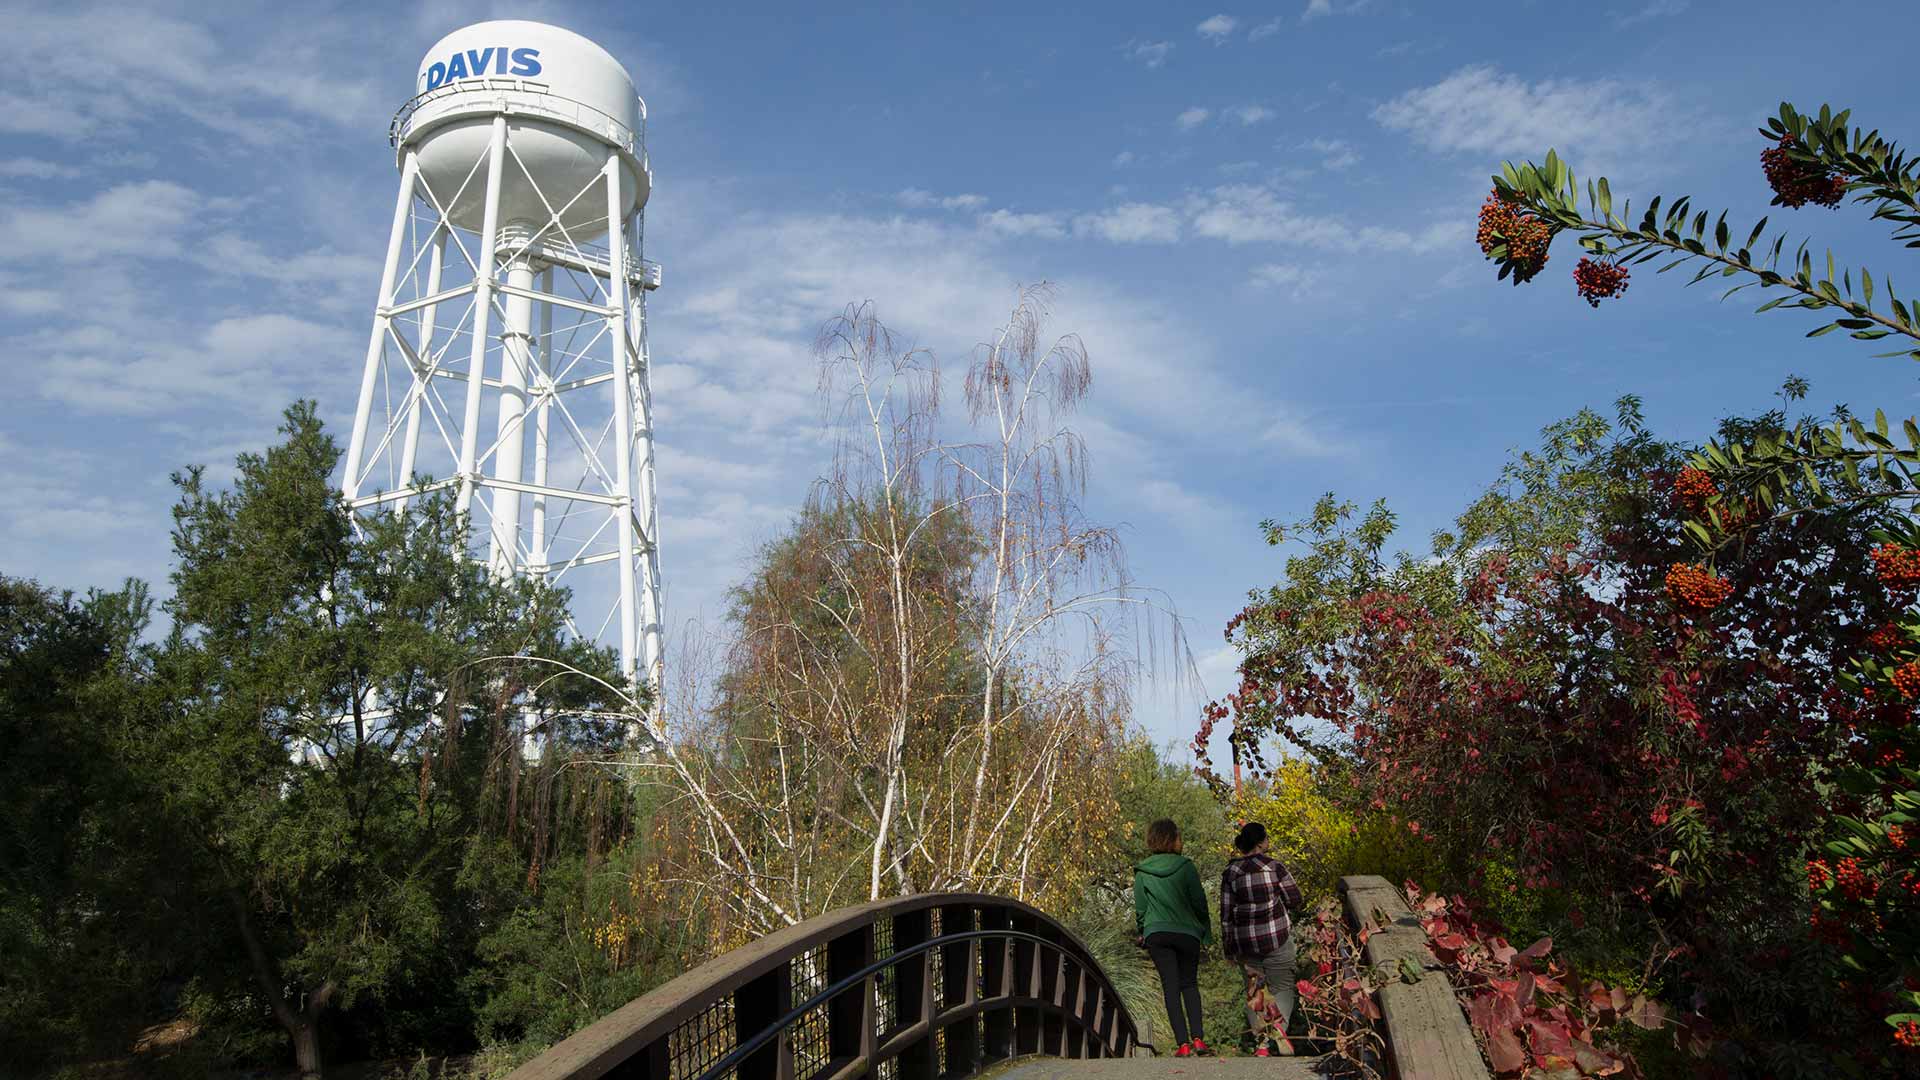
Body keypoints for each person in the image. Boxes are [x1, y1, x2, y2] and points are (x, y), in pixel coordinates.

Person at [1220, 821, 1305, 1057]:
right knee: (1283, 987)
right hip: (1276, 937)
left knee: (1254, 991)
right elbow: (1296, 899)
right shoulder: (1275, 868)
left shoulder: (1230, 873)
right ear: (1260, 844)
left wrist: (1228, 948)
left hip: (1245, 943)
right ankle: (1278, 1031)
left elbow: (1225, 914)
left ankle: (1262, 1045)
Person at [1133, 818, 1213, 1057]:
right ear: (1174, 839)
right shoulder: (1186, 866)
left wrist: (1143, 931)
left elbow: (1141, 909)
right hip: (1187, 933)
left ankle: (1183, 1044)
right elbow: (1199, 902)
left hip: (1157, 933)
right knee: (1189, 983)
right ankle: (1199, 1039)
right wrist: (1206, 933)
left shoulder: (1142, 871)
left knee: (1171, 987)